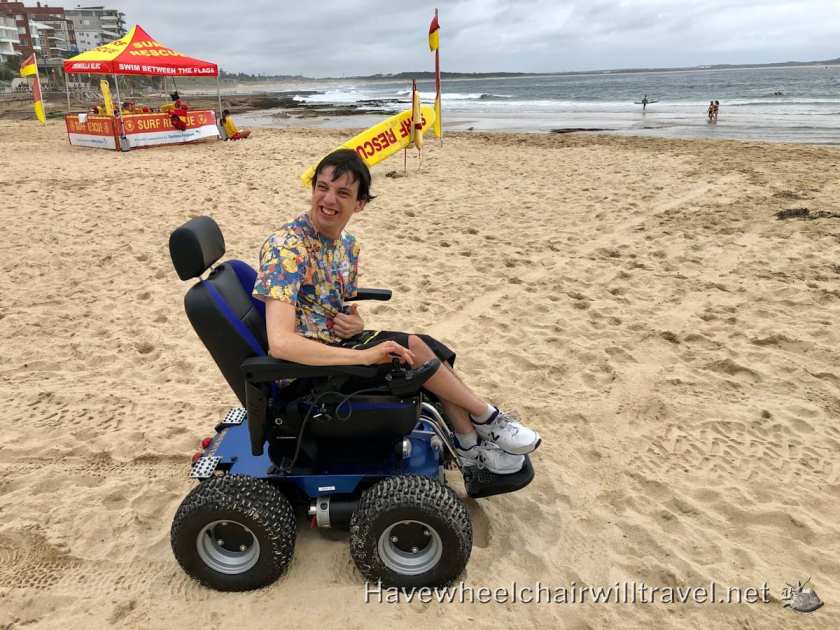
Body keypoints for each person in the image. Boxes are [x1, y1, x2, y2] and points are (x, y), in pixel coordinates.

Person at [252, 149, 541, 475]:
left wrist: (355, 322)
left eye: (343, 192)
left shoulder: (347, 245)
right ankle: (488, 419)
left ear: (360, 203)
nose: (328, 199)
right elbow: (281, 344)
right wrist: (364, 356)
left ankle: (469, 444)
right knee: (414, 349)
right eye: (322, 187)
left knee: (429, 349)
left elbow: (335, 304)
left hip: (337, 346)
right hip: (307, 375)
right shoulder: (287, 248)